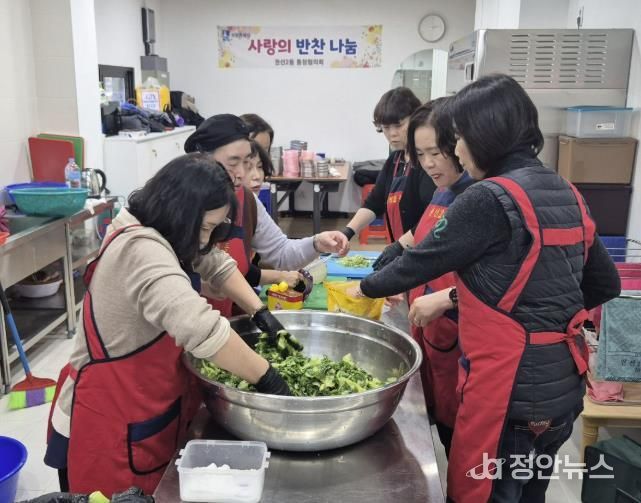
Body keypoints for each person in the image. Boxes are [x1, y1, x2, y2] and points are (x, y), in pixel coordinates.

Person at [355, 74, 621, 503]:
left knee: (484, 493)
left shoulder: (489, 197)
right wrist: (542, 318)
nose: (456, 151)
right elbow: (604, 282)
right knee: (530, 493)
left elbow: (415, 266)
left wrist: (366, 286)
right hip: (562, 390)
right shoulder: (566, 189)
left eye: (458, 139)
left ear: (483, 135)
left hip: (508, 392)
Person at [45, 154, 291, 496]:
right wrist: (270, 379)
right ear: (180, 211)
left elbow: (214, 262)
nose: (205, 240)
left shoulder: (162, 228)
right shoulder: (140, 249)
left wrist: (259, 311)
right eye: (204, 228)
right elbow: (203, 329)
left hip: (144, 409)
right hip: (109, 422)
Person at [185, 114, 348, 316]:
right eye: (233, 163)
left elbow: (281, 252)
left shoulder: (246, 201)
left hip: (224, 321)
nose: (242, 173)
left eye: (247, 162)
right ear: (202, 158)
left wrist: (316, 243)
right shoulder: (178, 203)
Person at [339, 87, 435, 267]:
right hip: (404, 255)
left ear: (415, 119)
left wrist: (400, 246)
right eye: (385, 127)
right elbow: (374, 203)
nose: (392, 133)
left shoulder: (427, 164)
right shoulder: (394, 161)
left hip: (427, 255)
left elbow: (432, 218)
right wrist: (347, 232)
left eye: (398, 125)